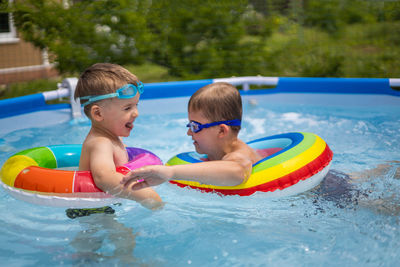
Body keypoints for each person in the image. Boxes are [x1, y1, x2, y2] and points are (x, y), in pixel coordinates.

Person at [121, 82, 263, 190]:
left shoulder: (237, 156)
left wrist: (171, 172)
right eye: (189, 126)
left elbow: (237, 172)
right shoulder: (217, 149)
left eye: (195, 127)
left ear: (221, 131)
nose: (189, 132)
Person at [74, 63, 162, 209]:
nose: (136, 113)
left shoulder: (113, 137)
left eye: (136, 105)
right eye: (127, 108)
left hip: (109, 204)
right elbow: (104, 177)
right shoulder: (100, 143)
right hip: (93, 210)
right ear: (98, 114)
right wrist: (147, 196)